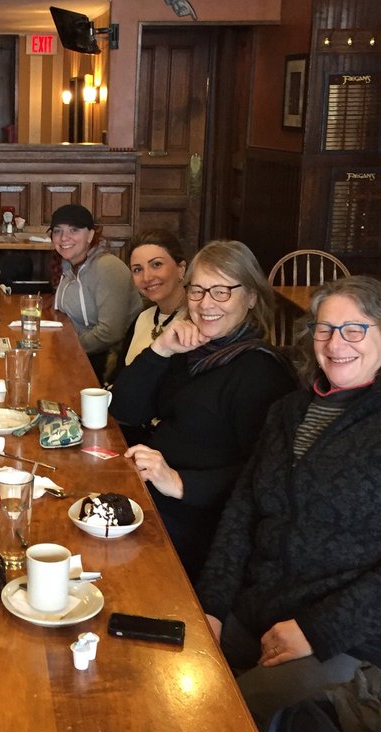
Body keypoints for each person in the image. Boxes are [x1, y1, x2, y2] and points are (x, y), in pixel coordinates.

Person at [197, 276, 381, 727]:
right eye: (324, 328)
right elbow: (242, 513)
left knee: (219, 722)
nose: (336, 343)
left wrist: (317, 630)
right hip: (262, 608)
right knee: (169, 670)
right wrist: (212, 607)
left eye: (355, 329)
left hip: (357, 636)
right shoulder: (288, 412)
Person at [111, 239, 297, 581]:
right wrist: (160, 348)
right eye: (196, 291)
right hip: (153, 496)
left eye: (221, 292)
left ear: (252, 297)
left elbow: (265, 475)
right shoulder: (191, 350)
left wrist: (181, 482)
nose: (205, 303)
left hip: (202, 524)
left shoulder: (260, 372)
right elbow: (124, 408)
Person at [49, 204, 141, 380]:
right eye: (57, 231)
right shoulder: (69, 267)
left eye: (74, 230)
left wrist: (63, 349)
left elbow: (110, 333)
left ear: (90, 235)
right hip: (78, 354)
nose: (63, 238)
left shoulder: (107, 267)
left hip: (106, 362)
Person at [118, 230, 188, 369]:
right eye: (138, 269)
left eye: (156, 264)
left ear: (181, 269)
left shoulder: (197, 322)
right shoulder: (142, 318)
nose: (147, 277)